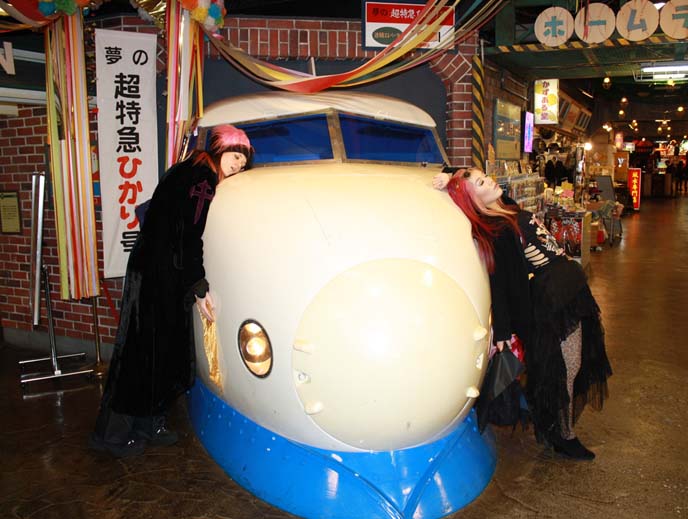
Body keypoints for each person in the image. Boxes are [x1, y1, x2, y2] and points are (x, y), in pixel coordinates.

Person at [90, 124, 254, 457]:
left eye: (242, 160)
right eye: (235, 156)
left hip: (152, 269)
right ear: (220, 151)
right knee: (142, 354)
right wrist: (199, 285)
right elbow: (189, 236)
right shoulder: (204, 181)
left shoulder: (187, 168)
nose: (238, 164)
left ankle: (148, 424)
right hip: (159, 275)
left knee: (155, 352)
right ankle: (114, 436)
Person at [433, 167, 612, 460]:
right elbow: (498, 280)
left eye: (484, 176)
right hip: (555, 298)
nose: (490, 180)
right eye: (481, 182)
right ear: (473, 198)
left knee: (571, 367)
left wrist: (451, 172)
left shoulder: (506, 209)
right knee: (564, 369)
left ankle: (560, 429)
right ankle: (563, 434)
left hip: (570, 289)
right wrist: (502, 329)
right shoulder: (496, 228)